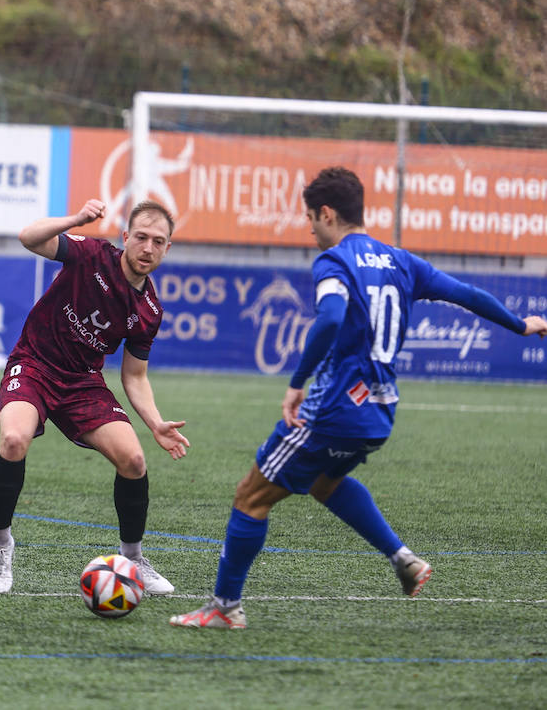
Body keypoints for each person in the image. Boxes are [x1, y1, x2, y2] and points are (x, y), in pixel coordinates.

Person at [170, 166, 547, 630]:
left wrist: (297, 381)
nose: (309, 227)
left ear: (327, 213)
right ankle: (402, 557)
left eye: (311, 217)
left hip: (331, 410)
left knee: (250, 496)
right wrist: (519, 324)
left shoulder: (335, 261)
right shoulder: (404, 262)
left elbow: (329, 318)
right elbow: (466, 294)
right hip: (378, 413)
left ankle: (224, 608)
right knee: (325, 484)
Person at [0, 198, 190, 596]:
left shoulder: (150, 310)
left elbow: (135, 376)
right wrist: (78, 219)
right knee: (13, 440)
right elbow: (28, 237)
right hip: (35, 365)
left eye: (158, 242)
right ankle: (0, 546)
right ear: (126, 237)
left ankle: (132, 558)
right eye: (142, 237)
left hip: (82, 382)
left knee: (133, 460)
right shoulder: (91, 254)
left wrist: (156, 423)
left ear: (168, 249)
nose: (148, 248)